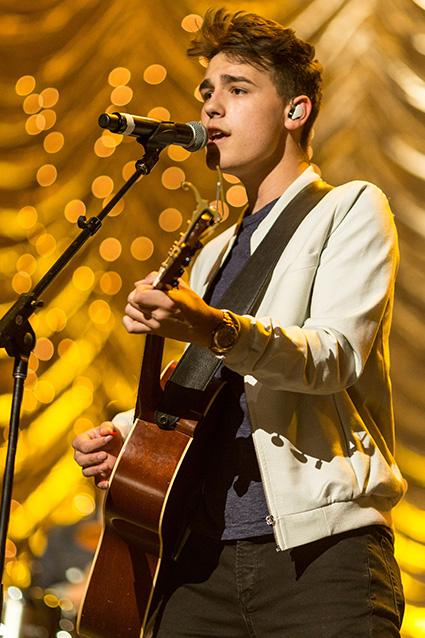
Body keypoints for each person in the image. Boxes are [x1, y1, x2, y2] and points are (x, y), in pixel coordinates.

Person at [73, 8, 406, 637]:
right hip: (199, 562)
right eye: (206, 91)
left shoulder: (350, 208)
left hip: (318, 557)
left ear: (296, 110)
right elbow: (208, 395)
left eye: (238, 88)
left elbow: (333, 356)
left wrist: (214, 327)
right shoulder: (213, 252)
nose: (210, 107)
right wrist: (128, 439)